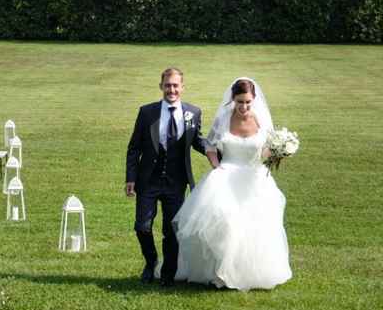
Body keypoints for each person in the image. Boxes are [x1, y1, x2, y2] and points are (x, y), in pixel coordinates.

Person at [173, 77, 292, 290]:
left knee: (254, 227)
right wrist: (216, 165)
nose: (244, 107)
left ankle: (249, 273)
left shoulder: (262, 121)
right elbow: (209, 145)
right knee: (225, 224)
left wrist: (279, 151)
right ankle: (220, 272)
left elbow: (266, 150)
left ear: (254, 100)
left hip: (254, 179)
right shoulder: (223, 118)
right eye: (239, 102)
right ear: (233, 100)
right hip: (225, 176)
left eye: (247, 102)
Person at [125, 68, 206, 286]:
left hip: (176, 182)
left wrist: (217, 151)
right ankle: (151, 262)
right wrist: (130, 178)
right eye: (168, 85)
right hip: (148, 180)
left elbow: (198, 140)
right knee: (142, 226)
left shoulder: (193, 112)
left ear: (182, 87)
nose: (172, 89)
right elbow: (134, 148)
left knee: (171, 231)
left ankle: (168, 274)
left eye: (176, 85)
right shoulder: (146, 112)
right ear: (161, 86)